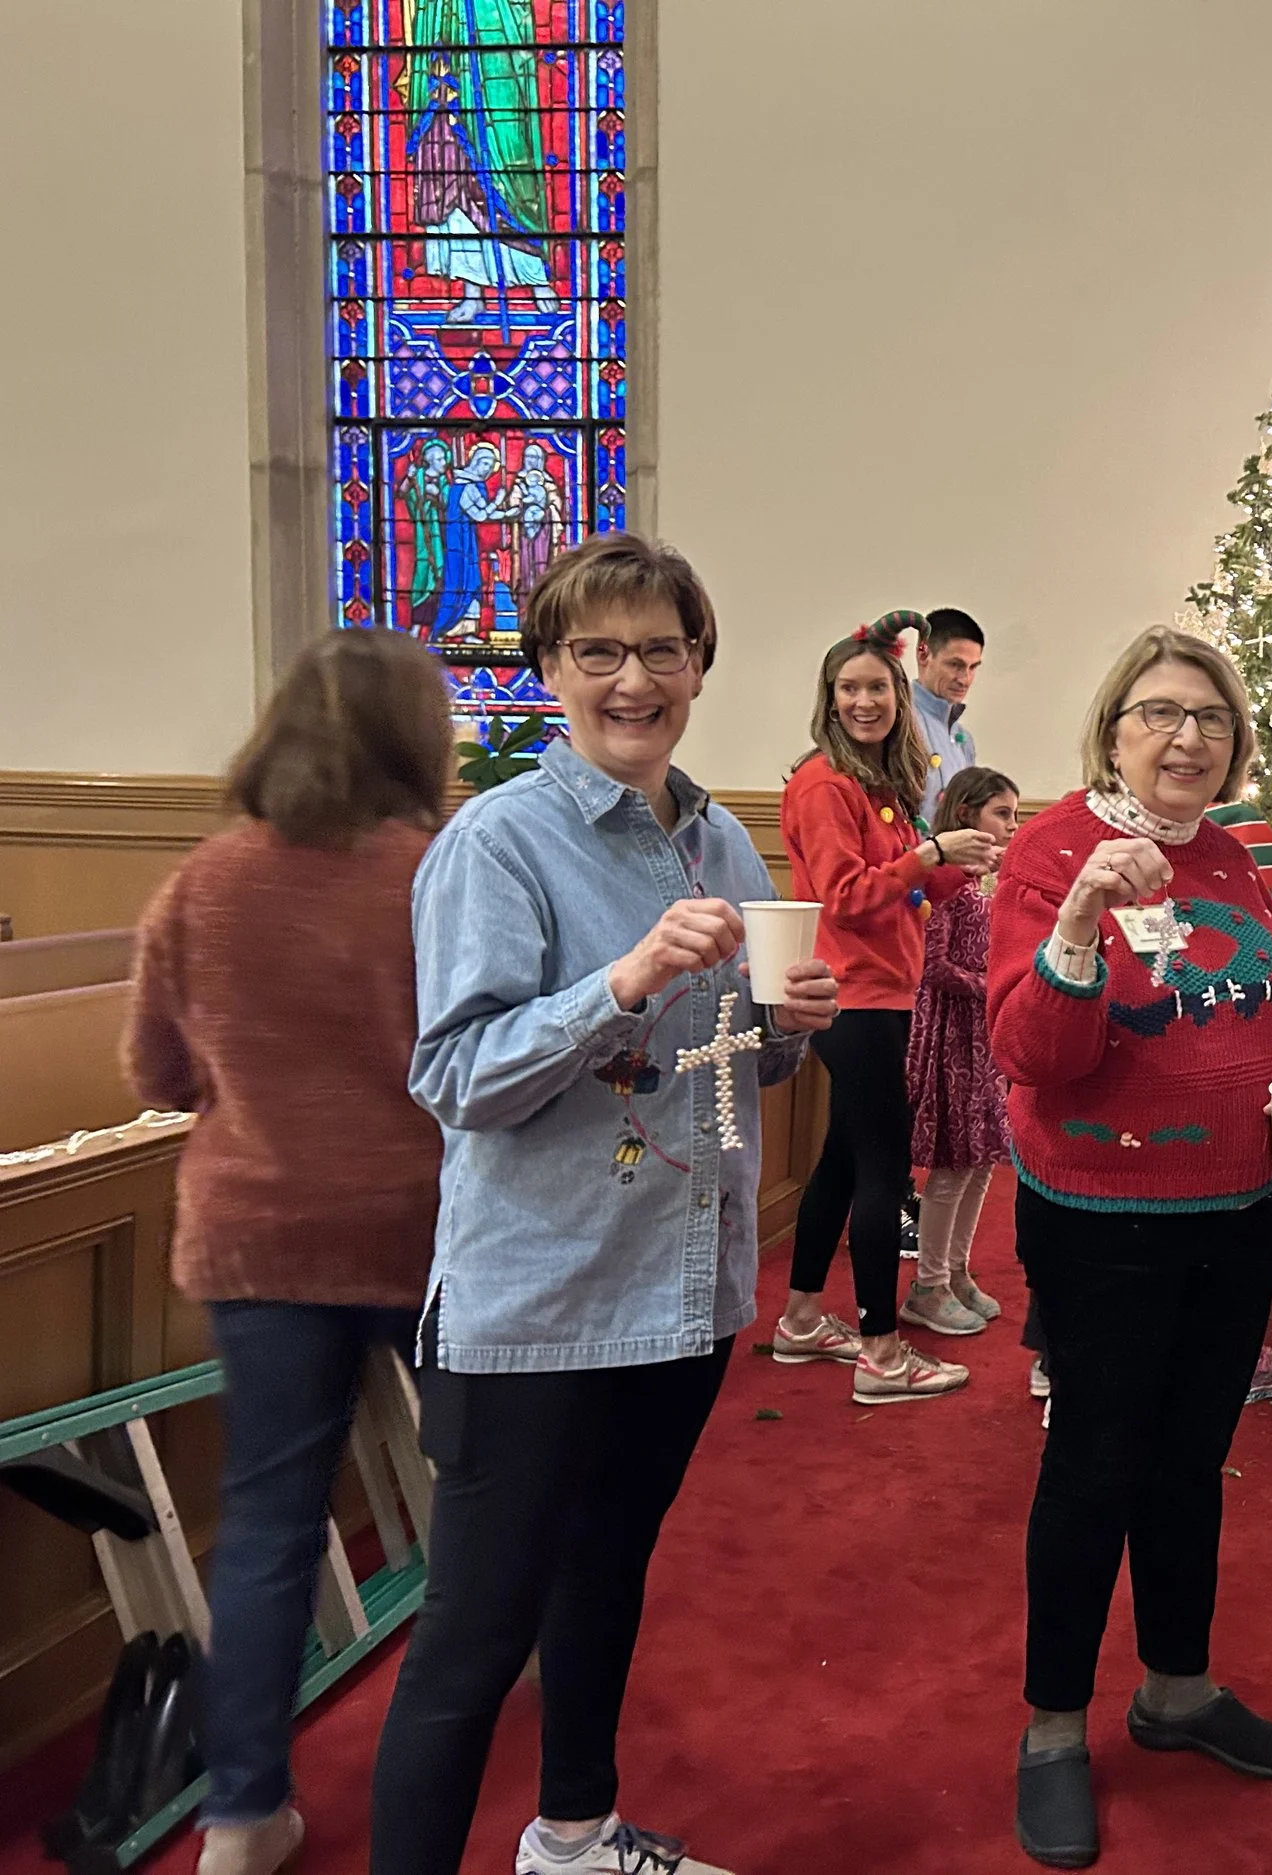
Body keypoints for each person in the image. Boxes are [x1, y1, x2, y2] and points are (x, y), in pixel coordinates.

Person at [368, 534, 840, 1875]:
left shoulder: (722, 835)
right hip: (539, 1300)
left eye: (662, 649)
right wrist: (620, 980)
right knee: (472, 1636)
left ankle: (573, 1834)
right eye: (599, 651)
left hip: (680, 1285)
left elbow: (741, 1061)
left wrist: (790, 1025)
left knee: (604, 1577)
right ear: (548, 672)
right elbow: (455, 1075)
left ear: (699, 663)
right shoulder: (497, 844)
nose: (634, 677)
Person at [991, 624, 1272, 1868]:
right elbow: (1035, 1056)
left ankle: (1177, 1690)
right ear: (1112, 733)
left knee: (1191, 1463)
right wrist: (1080, 920)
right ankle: (1050, 1728)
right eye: (1157, 714)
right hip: (1100, 1219)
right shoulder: (1052, 853)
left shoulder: (1238, 862)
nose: (1185, 737)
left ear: (1234, 743)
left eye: (1207, 717)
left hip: (1236, 1207)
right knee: (1094, 1467)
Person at [119, 630, 450, 1875]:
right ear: (415, 739)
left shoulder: (204, 883)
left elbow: (156, 1074)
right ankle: (479, 1701)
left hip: (258, 1236)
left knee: (267, 1527)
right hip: (422, 1232)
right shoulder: (433, 875)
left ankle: (241, 1817)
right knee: (474, 1482)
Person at [773, 612, 1001, 1400]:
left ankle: (801, 1319)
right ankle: (881, 1351)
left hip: (886, 989)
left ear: (900, 697)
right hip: (855, 995)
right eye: (850, 687)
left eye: (877, 687)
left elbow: (903, 889)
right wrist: (930, 852)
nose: (864, 700)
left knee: (842, 1159)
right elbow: (845, 897)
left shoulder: (882, 787)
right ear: (829, 698)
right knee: (881, 1170)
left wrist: (958, 862)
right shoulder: (822, 784)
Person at [903, 764, 1021, 1335]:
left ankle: (956, 1269)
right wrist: (991, 985)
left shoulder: (991, 877)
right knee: (952, 1165)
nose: (1011, 825)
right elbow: (934, 965)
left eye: (1016, 815)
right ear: (968, 813)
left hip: (983, 1035)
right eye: (1002, 813)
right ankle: (927, 1286)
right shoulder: (946, 876)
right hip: (951, 1031)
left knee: (980, 1164)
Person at [913, 607, 987, 823]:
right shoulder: (897, 722)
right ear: (923, 654)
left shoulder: (964, 741)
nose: (965, 679)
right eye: (955, 665)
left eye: (973, 667)